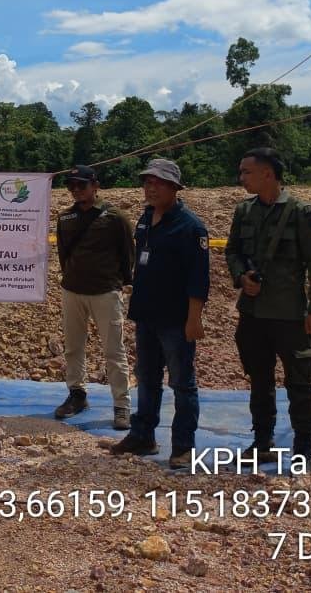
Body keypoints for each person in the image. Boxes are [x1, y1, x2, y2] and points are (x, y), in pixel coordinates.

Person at [226, 147, 311, 462]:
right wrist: (242, 277)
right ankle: (262, 442)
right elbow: (232, 252)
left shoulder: (300, 212)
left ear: (268, 174)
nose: (241, 178)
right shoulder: (244, 211)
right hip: (254, 313)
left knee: (300, 383)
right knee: (260, 380)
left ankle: (304, 447)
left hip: (290, 316)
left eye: (247, 172)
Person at [111, 158, 209, 470]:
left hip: (176, 319)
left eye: (159, 182)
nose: (151, 188)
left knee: (182, 382)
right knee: (147, 378)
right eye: (147, 182)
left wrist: (194, 319)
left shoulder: (191, 228)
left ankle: (183, 446)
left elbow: (199, 279)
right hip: (147, 314)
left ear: (175, 188)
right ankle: (143, 436)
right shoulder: (144, 220)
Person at [54, 164, 134, 429]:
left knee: (114, 351)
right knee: (74, 347)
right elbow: (64, 255)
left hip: (105, 292)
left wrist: (120, 283)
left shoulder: (115, 217)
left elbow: (127, 256)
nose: (76, 190)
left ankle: (121, 405)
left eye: (82, 185)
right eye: (72, 186)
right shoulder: (66, 218)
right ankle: (77, 395)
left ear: (95, 186)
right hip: (73, 291)